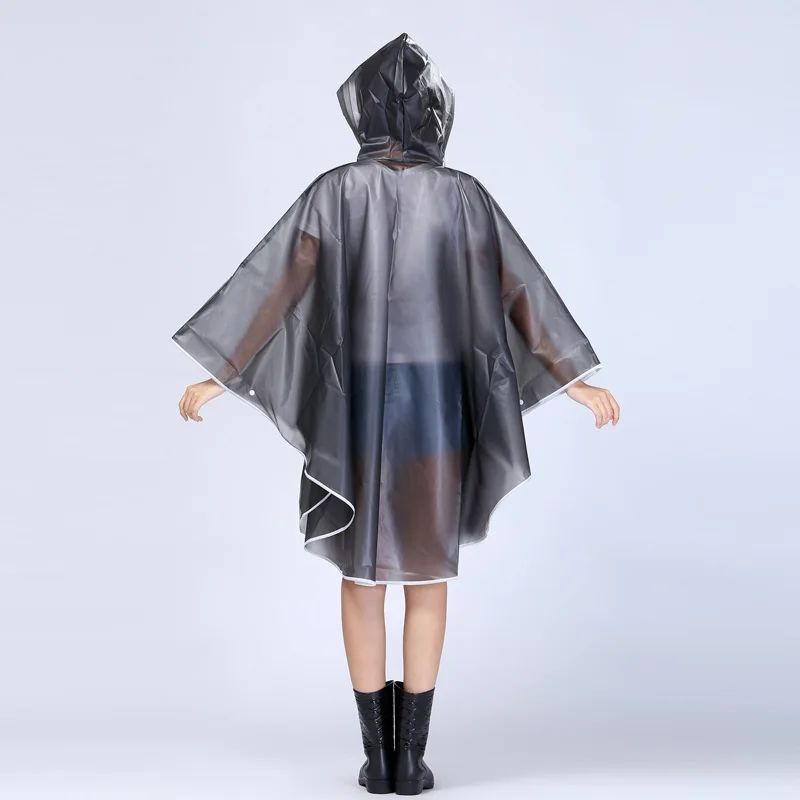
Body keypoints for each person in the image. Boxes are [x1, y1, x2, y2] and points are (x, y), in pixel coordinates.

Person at [173, 32, 619, 796]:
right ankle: (410, 760)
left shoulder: (334, 192)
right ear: (438, 113)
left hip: (356, 403)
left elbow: (277, 285)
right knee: (426, 574)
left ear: (364, 109)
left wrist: (221, 371)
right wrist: (571, 376)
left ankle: (377, 759)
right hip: (435, 406)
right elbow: (518, 288)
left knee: (362, 576)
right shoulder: (463, 196)